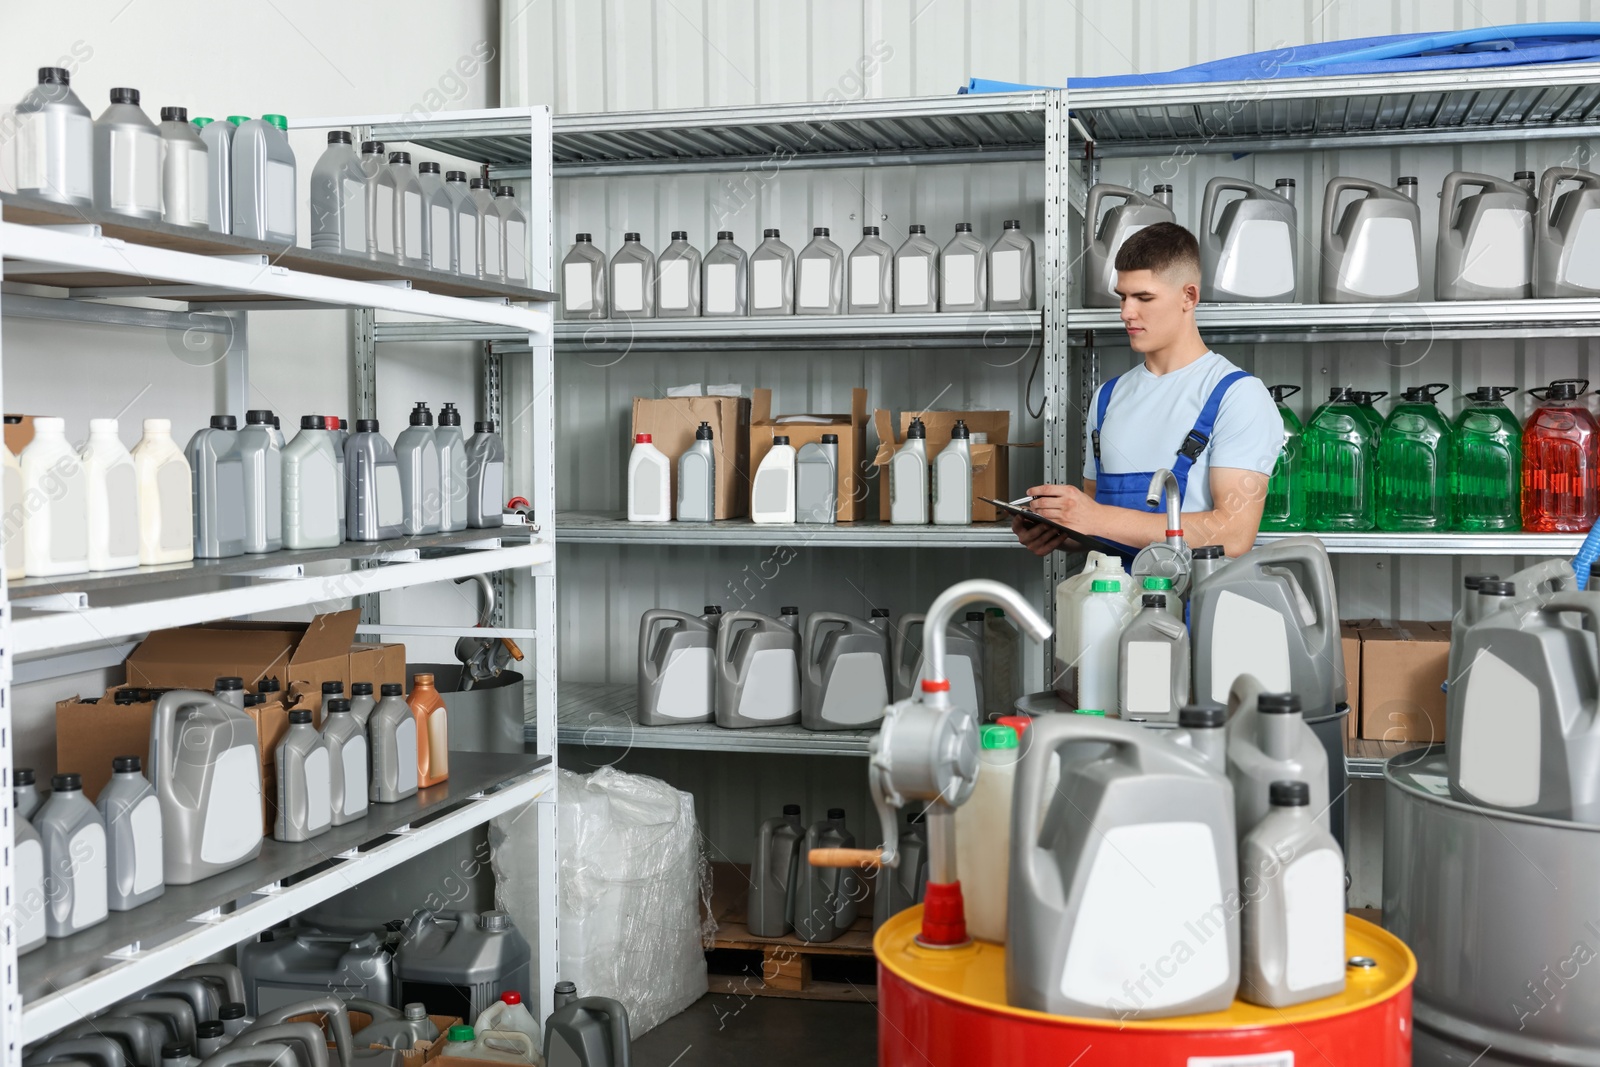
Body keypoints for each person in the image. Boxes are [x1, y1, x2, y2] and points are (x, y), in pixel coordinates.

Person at [1014, 221, 1282, 560]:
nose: (1127, 312)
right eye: (1123, 297)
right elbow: (1102, 528)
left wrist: (1096, 517)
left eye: (1144, 297)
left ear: (1189, 296)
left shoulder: (1237, 396)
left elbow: (1232, 532)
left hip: (1192, 608)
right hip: (1107, 606)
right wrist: (1060, 531)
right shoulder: (1107, 398)